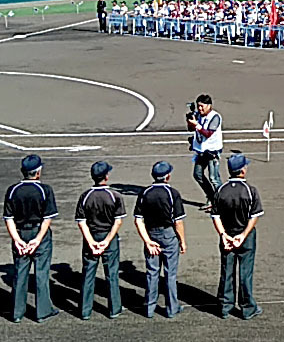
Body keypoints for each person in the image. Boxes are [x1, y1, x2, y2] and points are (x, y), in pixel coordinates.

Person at [2, 154, 59, 323]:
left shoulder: (13, 190)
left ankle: (17, 312)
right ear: (38, 172)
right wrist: (38, 239)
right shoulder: (44, 190)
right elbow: (47, 218)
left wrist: (17, 239)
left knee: (20, 273)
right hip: (38, 234)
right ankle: (42, 311)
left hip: (20, 232)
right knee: (41, 273)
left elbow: (9, 218)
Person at [211, 153, 265, 320]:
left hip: (227, 235)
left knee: (226, 271)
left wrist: (224, 235)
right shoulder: (250, 191)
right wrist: (243, 235)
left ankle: (225, 307)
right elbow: (254, 216)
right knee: (245, 272)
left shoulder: (220, 190)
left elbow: (215, 216)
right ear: (242, 171)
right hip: (245, 237)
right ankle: (247, 307)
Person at [134, 161, 187, 318]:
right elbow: (178, 222)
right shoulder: (172, 193)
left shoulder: (145, 193)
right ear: (167, 176)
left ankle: (149, 308)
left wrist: (147, 241)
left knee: (152, 273)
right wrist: (182, 241)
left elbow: (138, 220)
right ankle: (172, 308)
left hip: (151, 234)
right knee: (170, 274)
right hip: (168, 235)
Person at [74, 161, 126, 320]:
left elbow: (81, 221)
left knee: (88, 273)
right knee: (112, 273)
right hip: (108, 238)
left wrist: (90, 242)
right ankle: (114, 308)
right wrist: (107, 241)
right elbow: (117, 221)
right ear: (106, 176)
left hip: (92, 236)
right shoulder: (114, 195)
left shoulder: (86, 196)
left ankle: (84, 310)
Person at [188, 94, 224, 211]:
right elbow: (191, 129)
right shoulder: (198, 115)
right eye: (198, 106)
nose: (200, 109)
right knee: (197, 175)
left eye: (202, 106)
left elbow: (208, 133)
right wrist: (190, 121)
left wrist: (196, 125)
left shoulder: (215, 117)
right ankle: (212, 198)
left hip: (212, 152)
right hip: (201, 151)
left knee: (214, 178)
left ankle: (222, 201)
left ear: (209, 106)